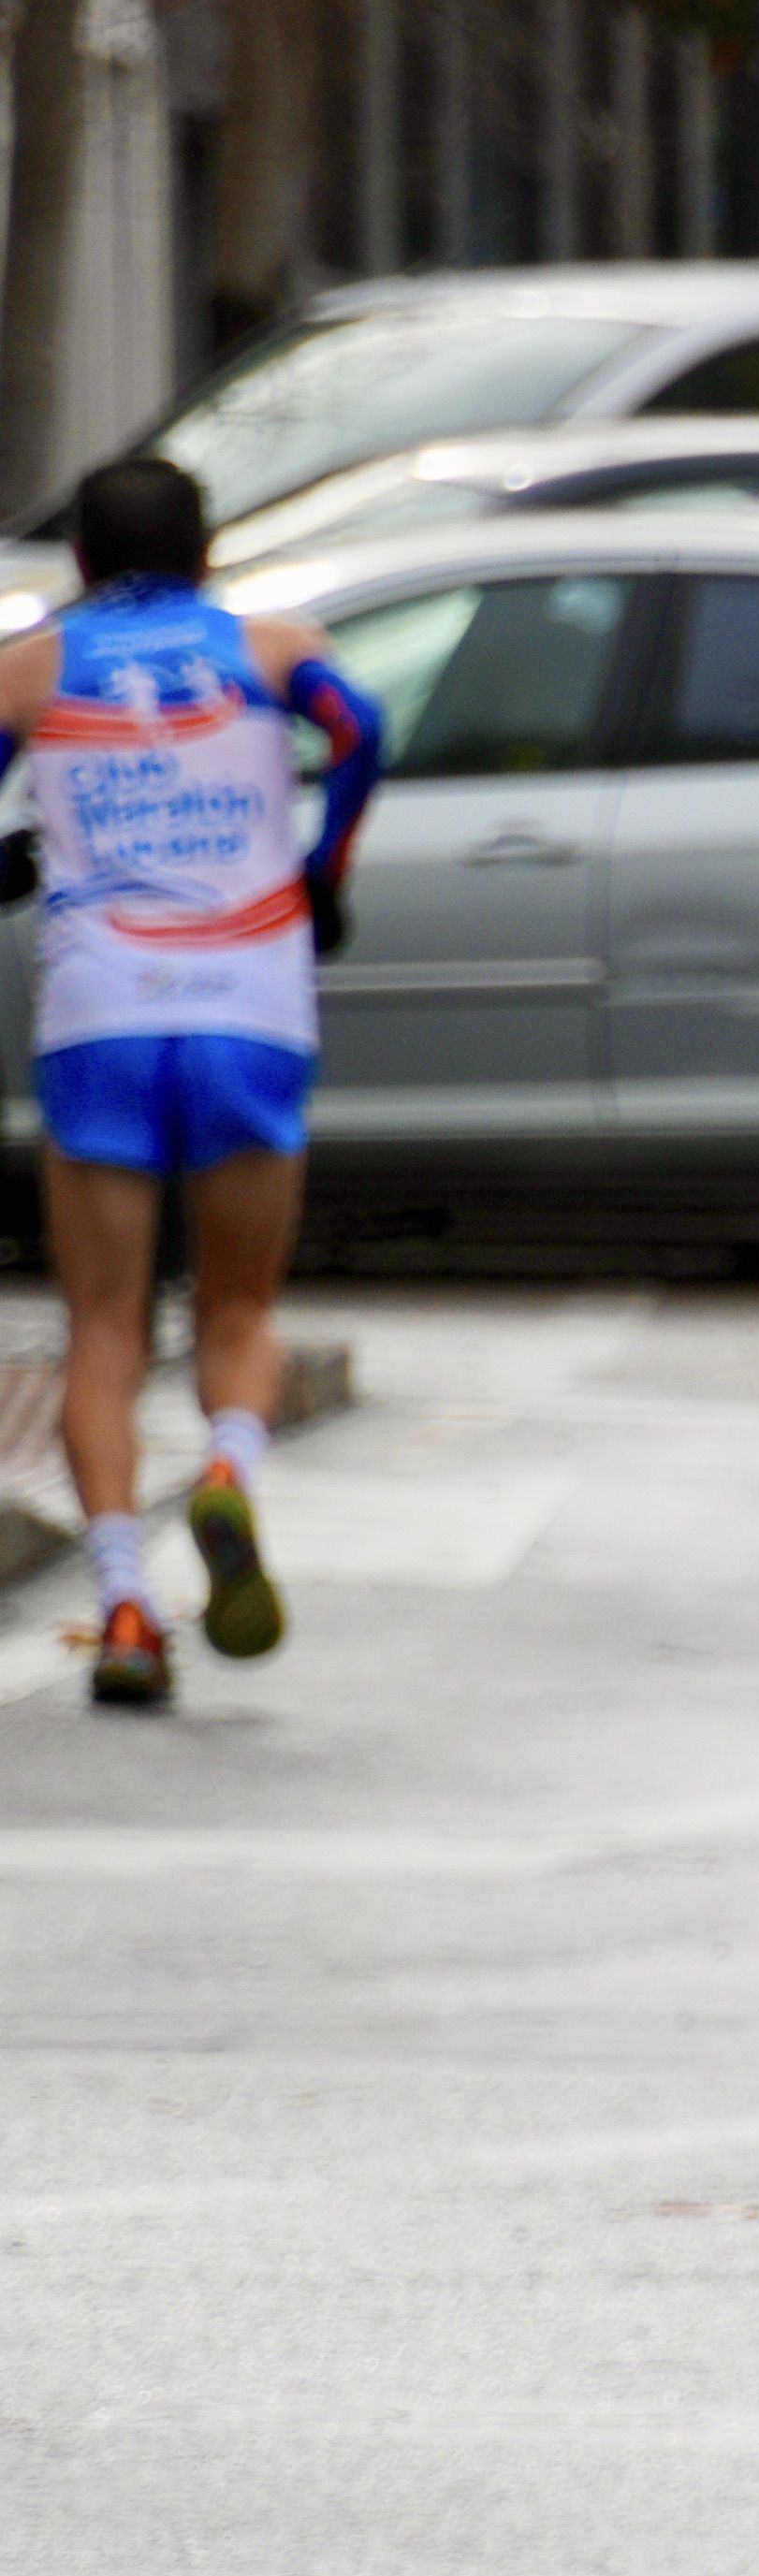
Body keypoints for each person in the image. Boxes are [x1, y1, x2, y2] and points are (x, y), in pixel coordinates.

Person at [0, 455, 384, 1711]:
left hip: (101, 1013)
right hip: (251, 1010)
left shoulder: (32, 668)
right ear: (210, 553)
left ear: (82, 565)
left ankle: (121, 1608)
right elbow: (361, 726)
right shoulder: (273, 649)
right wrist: (324, 869)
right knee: (237, 1309)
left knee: (106, 1328)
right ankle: (225, 1471)